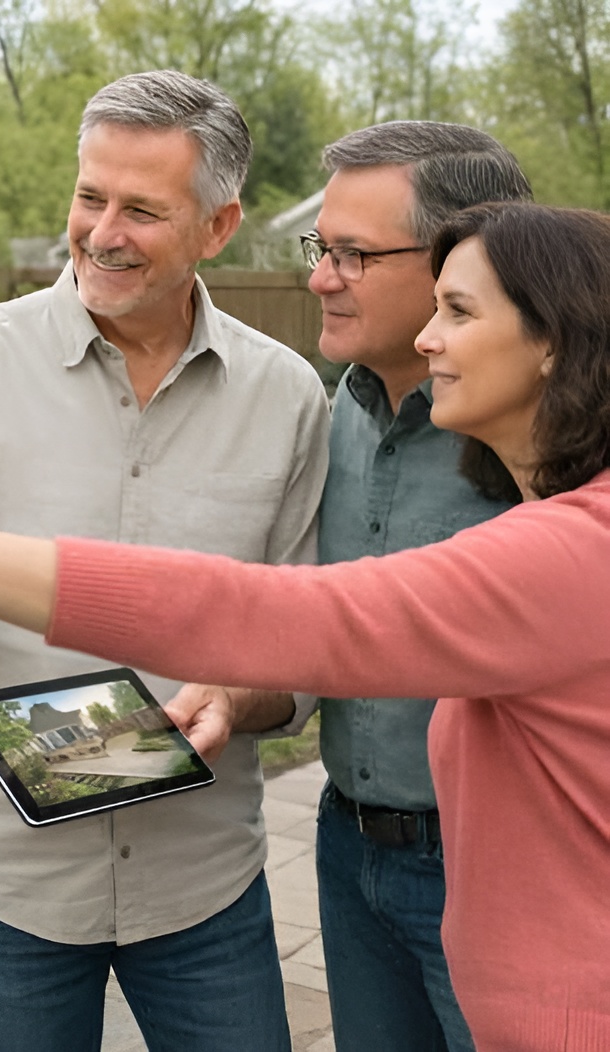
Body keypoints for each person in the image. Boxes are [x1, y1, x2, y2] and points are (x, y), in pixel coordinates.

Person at [0, 199, 610, 1052]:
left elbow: (277, 615)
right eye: (90, 196)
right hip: (7, 879)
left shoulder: (562, 552)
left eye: (457, 311)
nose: (426, 341)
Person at [0, 70, 331, 1052]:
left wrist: (239, 693)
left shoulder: (287, 396)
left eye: (142, 208)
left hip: (203, 885)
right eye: (90, 197)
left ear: (218, 226)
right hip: (3, 877)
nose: (102, 232)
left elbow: (305, 634)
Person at [300, 121, 532, 1052]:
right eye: (321, 248)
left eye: (353, 254)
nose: (321, 277)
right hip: (346, 847)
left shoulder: (545, 440)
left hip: (501, 872)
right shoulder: (339, 408)